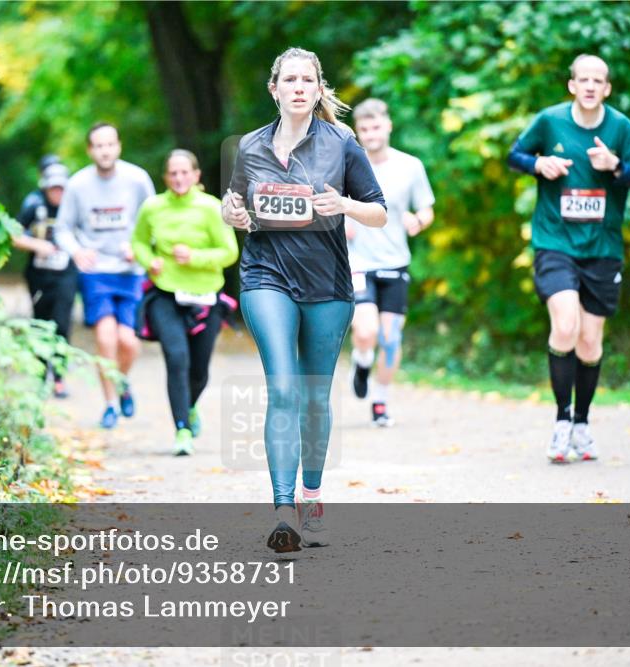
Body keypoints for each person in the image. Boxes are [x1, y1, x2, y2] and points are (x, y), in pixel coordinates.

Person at [223, 47, 386, 553]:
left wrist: (345, 204)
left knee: (315, 396)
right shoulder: (249, 146)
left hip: (326, 283)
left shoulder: (342, 143)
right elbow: (236, 204)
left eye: (306, 80)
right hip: (265, 274)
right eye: (289, 80)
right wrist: (232, 215)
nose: (298, 87)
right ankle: (283, 511)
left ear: (318, 89)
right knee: (283, 388)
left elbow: (379, 212)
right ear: (274, 89)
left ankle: (311, 499)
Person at [508, 54, 630, 463]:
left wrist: (616, 166)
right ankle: (561, 420)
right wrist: (539, 163)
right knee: (566, 325)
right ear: (572, 85)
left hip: (602, 248)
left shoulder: (621, 127)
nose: (590, 86)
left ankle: (582, 424)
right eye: (583, 79)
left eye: (597, 81)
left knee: (589, 342)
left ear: (607, 88)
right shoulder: (550, 121)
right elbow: (515, 156)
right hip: (555, 242)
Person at [132, 150, 239, 455]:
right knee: (176, 357)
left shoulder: (211, 208)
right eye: (173, 173)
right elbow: (138, 241)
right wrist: (149, 260)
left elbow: (229, 252)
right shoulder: (152, 207)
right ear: (165, 177)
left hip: (205, 297)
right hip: (165, 294)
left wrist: (195, 257)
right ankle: (182, 430)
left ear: (196, 175)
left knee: (199, 370)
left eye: (184, 173)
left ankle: (190, 407)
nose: (179, 178)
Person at [54, 124, 156, 429]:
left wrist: (140, 247)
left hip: (130, 271)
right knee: (105, 337)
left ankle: (122, 382)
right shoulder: (77, 184)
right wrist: (76, 251)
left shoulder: (137, 179)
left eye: (110, 144)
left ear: (118, 146)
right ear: (90, 150)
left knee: (129, 342)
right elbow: (62, 229)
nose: (105, 151)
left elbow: (154, 220)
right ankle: (110, 404)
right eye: (99, 146)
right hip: (96, 271)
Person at [345, 99, 435, 427]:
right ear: (358, 132)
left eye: (376, 127)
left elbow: (426, 208)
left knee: (391, 339)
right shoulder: (348, 164)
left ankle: (380, 401)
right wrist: (343, 221)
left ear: (388, 126)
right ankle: (362, 360)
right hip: (358, 262)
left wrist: (418, 221)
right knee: (365, 331)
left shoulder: (410, 166)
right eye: (364, 129)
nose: (371, 134)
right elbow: (331, 203)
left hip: (395, 261)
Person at [12, 157, 76, 398]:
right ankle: (40, 376)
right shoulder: (34, 205)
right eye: (53, 188)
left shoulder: (74, 206)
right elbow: (13, 234)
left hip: (66, 274)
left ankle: (59, 377)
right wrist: (37, 245)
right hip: (38, 275)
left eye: (61, 188)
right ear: (45, 187)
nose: (57, 193)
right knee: (40, 323)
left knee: (62, 323)